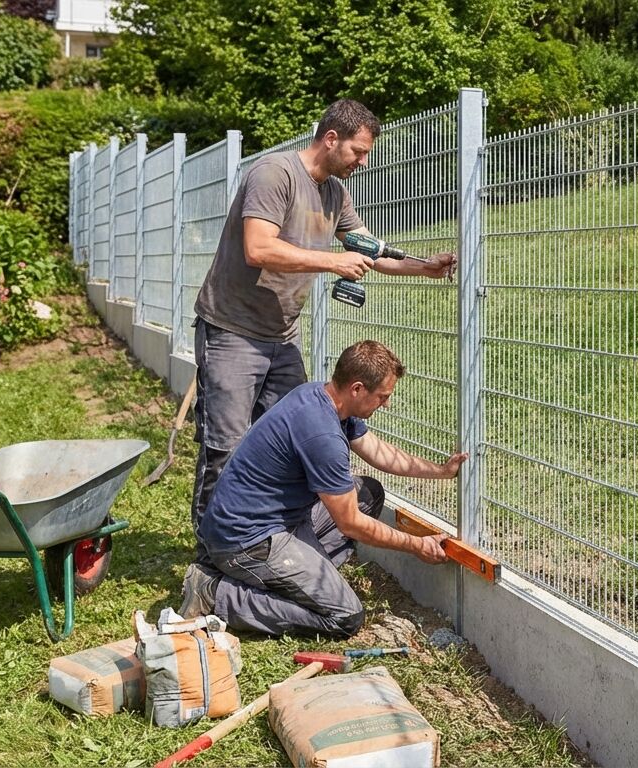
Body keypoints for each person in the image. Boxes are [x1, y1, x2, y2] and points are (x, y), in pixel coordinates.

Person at [189, 98, 456, 564]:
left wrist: (425, 268)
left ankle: (278, 544)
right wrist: (332, 260)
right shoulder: (274, 175)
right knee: (226, 447)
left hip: (281, 336)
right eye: (358, 151)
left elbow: (368, 249)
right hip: (232, 331)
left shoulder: (333, 195)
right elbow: (258, 247)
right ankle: (214, 552)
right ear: (330, 139)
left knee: (307, 431)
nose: (363, 162)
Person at [179, 340, 467, 638]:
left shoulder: (322, 397)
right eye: (383, 397)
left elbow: (377, 451)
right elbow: (351, 524)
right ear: (357, 389)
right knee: (345, 616)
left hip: (274, 522)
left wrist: (441, 471)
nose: (387, 404)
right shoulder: (321, 435)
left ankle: (295, 579)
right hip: (245, 541)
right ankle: (214, 592)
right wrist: (416, 545)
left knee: (368, 493)